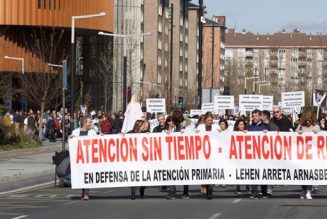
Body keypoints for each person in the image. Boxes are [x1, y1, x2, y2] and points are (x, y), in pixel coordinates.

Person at [70, 116, 97, 201]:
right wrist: (70, 138)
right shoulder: (75, 132)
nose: (91, 124)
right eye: (89, 122)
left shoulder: (93, 132)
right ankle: (83, 191)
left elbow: (97, 142)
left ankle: (86, 193)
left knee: (88, 175)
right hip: (79, 159)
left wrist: (101, 137)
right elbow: (71, 144)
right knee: (81, 176)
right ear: (84, 123)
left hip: (89, 158)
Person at [166, 109, 189, 200]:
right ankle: (173, 191)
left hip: (183, 154)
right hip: (174, 154)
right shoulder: (174, 127)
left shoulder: (185, 127)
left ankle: (185, 192)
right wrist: (170, 130)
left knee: (184, 172)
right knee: (171, 171)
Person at [296, 111, 320, 200]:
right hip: (302, 154)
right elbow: (296, 132)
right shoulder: (301, 126)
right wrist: (299, 132)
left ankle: (309, 191)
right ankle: (303, 190)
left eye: (310, 119)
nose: (308, 121)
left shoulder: (316, 126)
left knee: (309, 173)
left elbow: (318, 131)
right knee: (303, 173)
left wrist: (315, 132)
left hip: (312, 155)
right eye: (306, 119)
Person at [248, 109, 271, 199]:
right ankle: (253, 192)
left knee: (262, 173)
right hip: (253, 155)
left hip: (263, 155)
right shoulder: (250, 127)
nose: (254, 117)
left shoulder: (266, 127)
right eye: (253, 116)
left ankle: (264, 192)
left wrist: (267, 133)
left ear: (260, 116)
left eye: (256, 116)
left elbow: (272, 137)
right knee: (253, 173)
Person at [196, 112, 218, 199]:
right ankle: (205, 186)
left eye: (211, 120)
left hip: (213, 153)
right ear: (205, 120)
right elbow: (195, 136)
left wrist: (221, 132)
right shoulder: (200, 127)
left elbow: (222, 136)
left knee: (211, 172)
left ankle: (210, 192)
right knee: (205, 171)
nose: (210, 122)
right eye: (208, 120)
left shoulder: (216, 127)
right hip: (203, 153)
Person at [127, 120, 146, 199]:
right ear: (139, 126)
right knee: (134, 176)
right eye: (143, 126)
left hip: (143, 159)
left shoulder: (145, 133)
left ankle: (142, 193)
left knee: (143, 176)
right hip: (133, 159)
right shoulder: (130, 133)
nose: (144, 127)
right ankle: (133, 193)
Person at [233, 118, 249, 194]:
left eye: (242, 124)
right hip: (237, 156)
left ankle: (248, 187)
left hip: (246, 155)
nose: (241, 126)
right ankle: (238, 187)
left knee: (247, 171)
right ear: (237, 126)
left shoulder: (248, 133)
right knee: (238, 171)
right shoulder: (233, 134)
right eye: (240, 124)